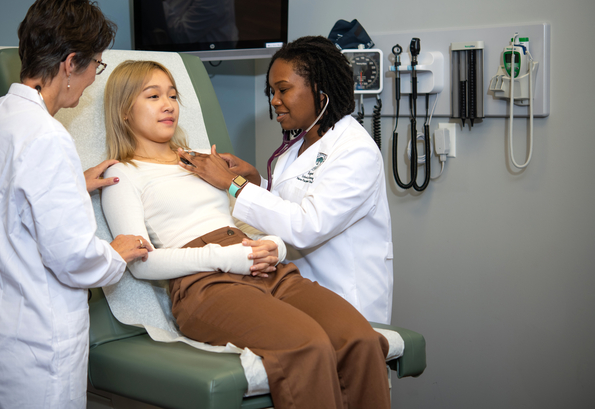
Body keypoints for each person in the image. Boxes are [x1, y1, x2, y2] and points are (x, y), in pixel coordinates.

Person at [101, 60, 390, 409]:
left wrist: (276, 247)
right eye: (153, 96)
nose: (168, 105)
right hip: (207, 284)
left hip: (264, 266)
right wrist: (224, 257)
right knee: (307, 345)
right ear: (124, 112)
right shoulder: (123, 174)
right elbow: (140, 264)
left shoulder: (200, 161)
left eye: (173, 95)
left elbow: (256, 219)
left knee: (360, 339)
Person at [0, 0, 150, 409]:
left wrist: (71, 184)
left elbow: (2, 201)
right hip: (28, 341)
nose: (91, 81)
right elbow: (74, 258)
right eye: (95, 67)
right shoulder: (49, 136)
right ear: (71, 64)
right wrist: (117, 253)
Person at [176, 35, 394, 324]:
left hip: (347, 297)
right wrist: (256, 182)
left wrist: (231, 183)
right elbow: (291, 201)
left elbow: (307, 226)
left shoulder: (356, 151)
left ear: (320, 90)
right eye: (272, 91)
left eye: (283, 90)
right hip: (299, 292)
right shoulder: (297, 146)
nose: (274, 101)